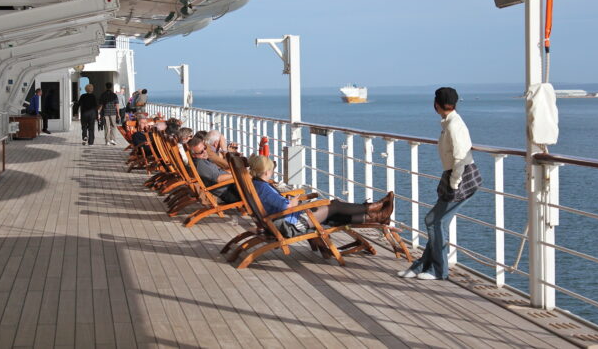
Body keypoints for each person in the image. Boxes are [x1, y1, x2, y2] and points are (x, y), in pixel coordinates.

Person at [398, 87, 482, 280]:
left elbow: (460, 157)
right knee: (436, 222)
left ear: (436, 104)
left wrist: (454, 183)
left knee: (434, 221)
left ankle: (438, 270)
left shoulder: (454, 125)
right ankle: (423, 266)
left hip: (461, 178)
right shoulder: (450, 122)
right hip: (456, 175)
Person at [249, 155, 393, 238]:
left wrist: (290, 201)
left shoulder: (257, 184)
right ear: (267, 172)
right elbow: (284, 206)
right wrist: (293, 201)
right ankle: (375, 207)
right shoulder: (263, 188)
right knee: (335, 205)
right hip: (290, 224)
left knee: (334, 215)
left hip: (284, 219)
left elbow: (276, 203)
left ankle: (378, 216)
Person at [187, 137, 240, 204]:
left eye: (205, 148)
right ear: (193, 155)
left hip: (230, 185)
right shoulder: (201, 165)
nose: (205, 152)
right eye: (201, 152)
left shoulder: (203, 160)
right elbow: (218, 179)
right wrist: (236, 175)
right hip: (229, 191)